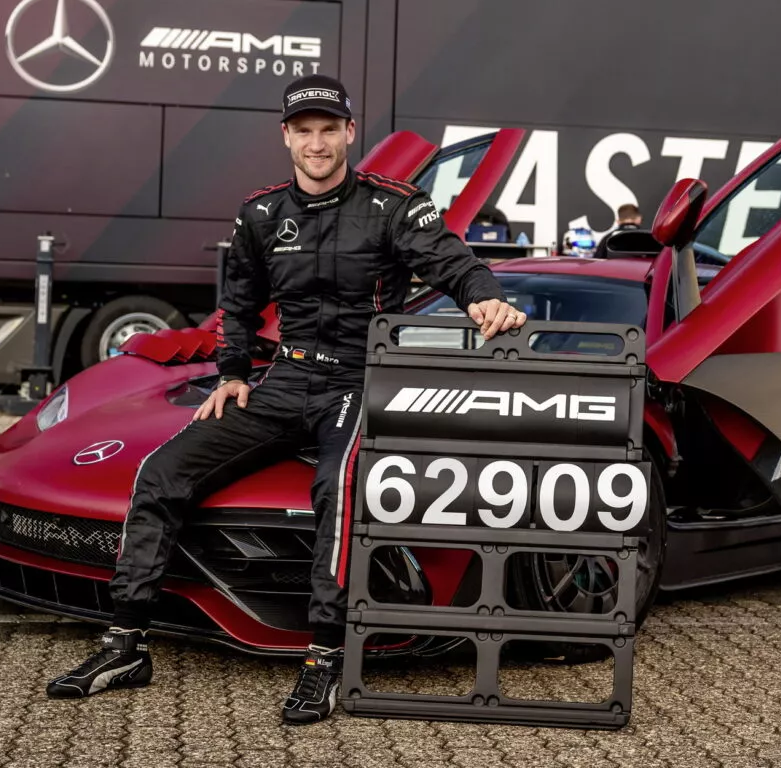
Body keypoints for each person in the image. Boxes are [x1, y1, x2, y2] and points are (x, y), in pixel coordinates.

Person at [45, 74, 526, 724]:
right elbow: (238, 300)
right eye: (305, 131)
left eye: (330, 129)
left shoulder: (395, 205)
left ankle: (323, 658)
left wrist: (483, 296)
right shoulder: (261, 213)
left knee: (337, 487)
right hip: (285, 381)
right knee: (161, 473)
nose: (318, 143)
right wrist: (234, 371)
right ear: (286, 137)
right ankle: (126, 644)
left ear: (350, 133)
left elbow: (450, 261)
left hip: (360, 382)